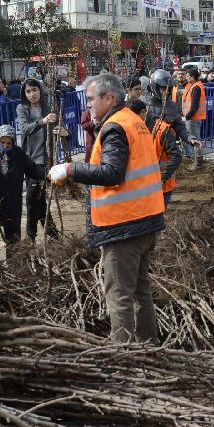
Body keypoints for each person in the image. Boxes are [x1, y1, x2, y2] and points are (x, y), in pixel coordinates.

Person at [47, 73, 165, 344]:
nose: (87, 104)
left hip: (124, 226)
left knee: (119, 295)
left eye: (90, 99)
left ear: (109, 98)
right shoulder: (134, 121)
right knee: (139, 290)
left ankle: (121, 355)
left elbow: (111, 172)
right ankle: (149, 346)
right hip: (145, 219)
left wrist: (70, 169)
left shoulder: (115, 127)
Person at [0, 124, 45, 257]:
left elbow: (32, 169)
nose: (5, 145)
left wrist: (48, 174)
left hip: (12, 200)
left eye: (9, 143)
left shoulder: (18, 153)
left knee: (13, 236)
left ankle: (14, 265)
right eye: (2, 142)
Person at [17, 78, 68, 242]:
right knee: (35, 197)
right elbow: (25, 129)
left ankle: (38, 236)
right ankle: (46, 234)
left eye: (34, 90)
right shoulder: (22, 108)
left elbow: (64, 131)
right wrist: (43, 121)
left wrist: (65, 133)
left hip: (46, 160)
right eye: (28, 91)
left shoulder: (50, 108)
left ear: (40, 90)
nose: (32, 94)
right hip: (29, 160)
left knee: (36, 197)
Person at [145, 69, 195, 208]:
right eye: (163, 89)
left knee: (165, 194)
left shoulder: (171, 106)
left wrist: (189, 138)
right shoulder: (147, 107)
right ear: (155, 88)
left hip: (167, 154)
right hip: (149, 155)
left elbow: (179, 126)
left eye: (168, 89)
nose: (166, 92)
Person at [181, 67, 206, 169]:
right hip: (192, 118)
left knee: (195, 141)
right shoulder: (194, 86)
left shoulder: (196, 87)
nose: (186, 78)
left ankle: (198, 163)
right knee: (195, 140)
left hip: (193, 119)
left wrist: (186, 117)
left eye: (187, 76)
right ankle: (197, 161)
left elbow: (194, 106)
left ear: (192, 77)